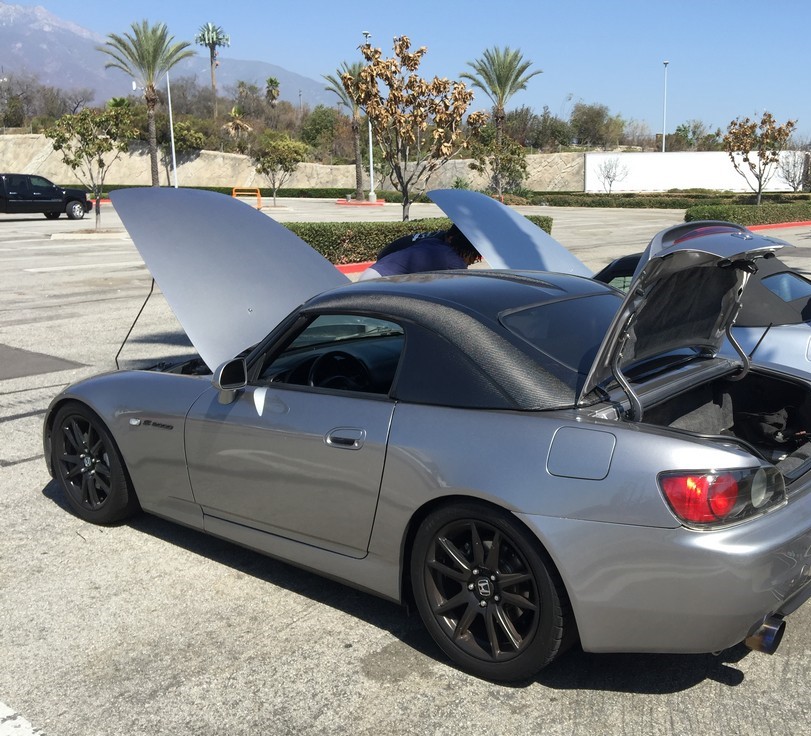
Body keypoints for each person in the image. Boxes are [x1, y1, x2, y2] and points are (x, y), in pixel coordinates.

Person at [358, 224, 481, 280]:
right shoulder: (454, 261)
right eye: (473, 257)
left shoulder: (432, 241)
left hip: (372, 274)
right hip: (379, 283)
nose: (471, 262)